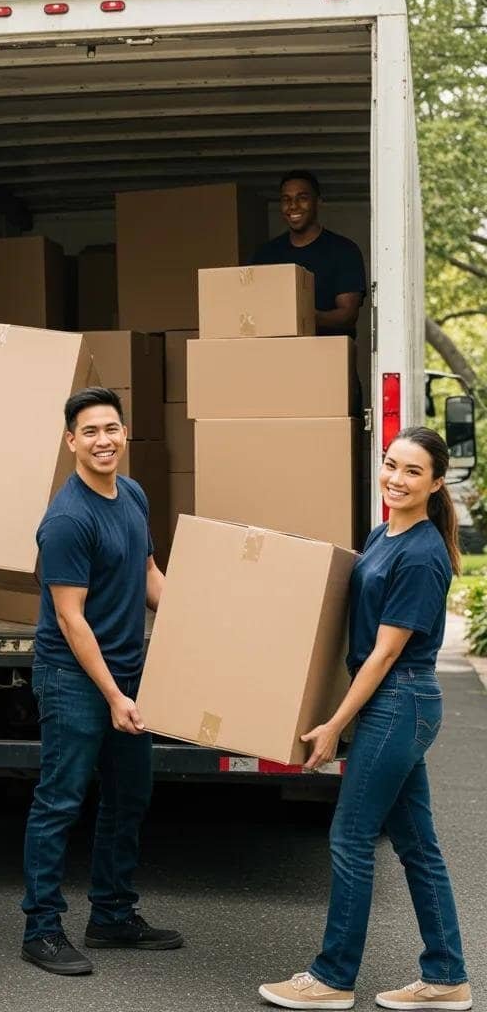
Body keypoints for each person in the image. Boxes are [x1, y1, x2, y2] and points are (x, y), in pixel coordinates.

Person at [260, 427, 472, 1011]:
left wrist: (333, 724)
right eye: (390, 465)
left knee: (351, 838)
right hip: (392, 705)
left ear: (434, 483)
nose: (395, 479)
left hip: (399, 702)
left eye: (411, 471)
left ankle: (332, 978)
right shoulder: (383, 534)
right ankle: (447, 975)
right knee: (418, 845)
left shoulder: (424, 554)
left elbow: (384, 653)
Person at [20, 386, 183, 976]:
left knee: (129, 796)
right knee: (60, 801)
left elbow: (148, 574)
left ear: (124, 434)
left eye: (111, 428)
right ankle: (41, 929)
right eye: (89, 431)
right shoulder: (67, 520)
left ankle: (112, 916)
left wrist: (201, 624)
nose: (103, 440)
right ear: (71, 444)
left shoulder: (132, 495)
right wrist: (113, 695)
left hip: (126, 674)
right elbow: (70, 617)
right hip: (73, 678)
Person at [252, 170, 367, 338]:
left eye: (302, 198)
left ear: (318, 202)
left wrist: (303, 317)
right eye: (286, 200)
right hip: (276, 354)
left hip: (328, 354)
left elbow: (348, 315)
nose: (293, 206)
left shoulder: (343, 251)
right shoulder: (265, 255)